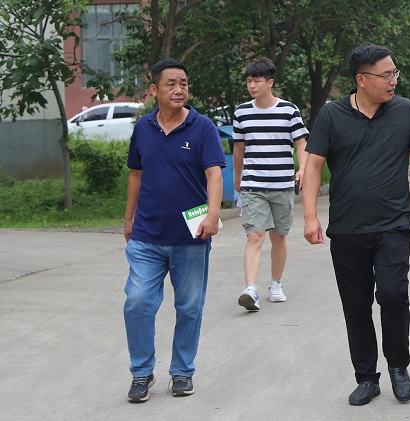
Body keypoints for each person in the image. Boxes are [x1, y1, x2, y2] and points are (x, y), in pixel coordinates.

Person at [301, 44, 410, 406]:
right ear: (361, 80)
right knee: (356, 305)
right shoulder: (331, 116)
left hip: (393, 225)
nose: (393, 80)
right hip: (346, 229)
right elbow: (312, 167)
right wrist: (310, 215)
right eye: (385, 74)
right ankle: (366, 377)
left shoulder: (404, 111)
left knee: (393, 295)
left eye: (395, 73)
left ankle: (398, 367)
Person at [123, 59, 226, 403]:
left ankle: (182, 371)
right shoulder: (142, 128)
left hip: (191, 238)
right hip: (146, 236)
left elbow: (214, 174)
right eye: (171, 84)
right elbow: (135, 175)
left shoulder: (202, 127)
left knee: (190, 307)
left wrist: (213, 215)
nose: (179, 89)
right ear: (154, 90)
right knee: (137, 302)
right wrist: (128, 218)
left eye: (183, 83)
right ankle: (141, 373)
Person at [233, 58, 309, 311]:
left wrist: (303, 169)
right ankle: (250, 289)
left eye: (256, 80)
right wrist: (237, 177)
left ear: (270, 82)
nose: (252, 85)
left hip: (282, 185)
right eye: (249, 80)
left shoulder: (289, 110)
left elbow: (301, 143)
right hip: (253, 185)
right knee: (254, 236)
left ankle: (276, 283)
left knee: (278, 237)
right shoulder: (242, 112)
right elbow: (239, 149)